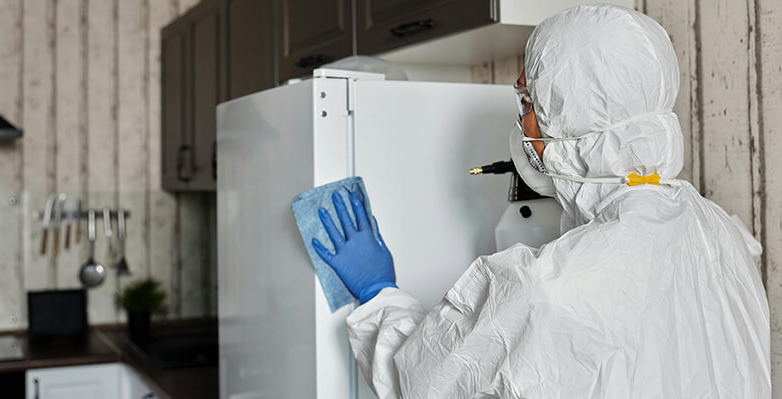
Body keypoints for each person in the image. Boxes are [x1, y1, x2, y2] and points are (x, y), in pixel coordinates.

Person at [311, 4, 770, 398]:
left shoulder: (548, 288)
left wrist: (378, 294)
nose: (524, 123)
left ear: (579, 116)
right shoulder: (725, 237)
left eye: (530, 101)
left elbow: (416, 379)